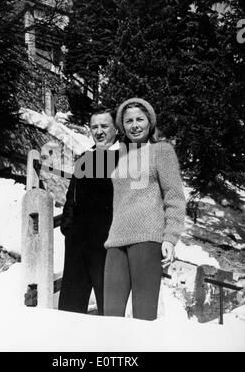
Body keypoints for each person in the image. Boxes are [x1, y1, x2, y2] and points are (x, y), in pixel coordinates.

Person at [103, 98, 186, 320]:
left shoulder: (162, 151)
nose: (134, 125)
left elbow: (174, 197)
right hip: (116, 240)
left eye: (140, 119)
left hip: (148, 239)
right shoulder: (118, 155)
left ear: (149, 122)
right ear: (122, 125)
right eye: (128, 121)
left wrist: (170, 237)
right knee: (110, 315)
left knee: (144, 316)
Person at [58, 108, 119, 315]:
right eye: (94, 127)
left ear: (116, 128)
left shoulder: (126, 158)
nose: (99, 131)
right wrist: (68, 226)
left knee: (109, 308)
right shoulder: (85, 157)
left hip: (107, 243)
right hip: (78, 243)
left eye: (104, 126)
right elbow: (71, 195)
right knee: (70, 306)